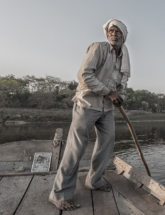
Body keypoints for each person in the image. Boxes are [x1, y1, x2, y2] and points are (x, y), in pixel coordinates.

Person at [49, 19, 130, 211]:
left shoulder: (124, 55)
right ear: (107, 33)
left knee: (107, 142)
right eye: (111, 30)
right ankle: (59, 194)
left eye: (118, 31)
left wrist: (121, 96)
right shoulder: (98, 48)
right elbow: (84, 75)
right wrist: (109, 92)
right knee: (75, 148)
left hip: (107, 108)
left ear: (124, 35)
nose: (114, 34)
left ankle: (94, 181)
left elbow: (123, 82)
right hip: (87, 104)